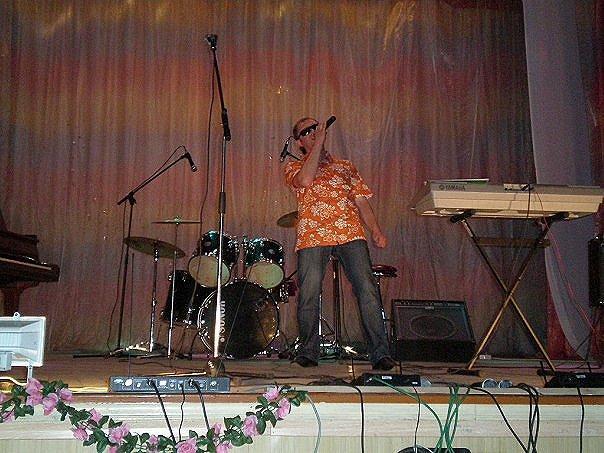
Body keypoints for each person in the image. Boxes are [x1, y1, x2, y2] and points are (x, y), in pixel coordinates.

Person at [284, 116, 396, 371]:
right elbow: (305, 180)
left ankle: (380, 354)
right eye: (306, 131)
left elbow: (362, 201)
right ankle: (308, 352)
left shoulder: (345, 166)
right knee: (309, 293)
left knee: (367, 290)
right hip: (313, 235)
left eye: (316, 128)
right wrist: (318, 144)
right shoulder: (293, 167)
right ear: (299, 142)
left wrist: (376, 230)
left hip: (350, 233)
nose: (313, 132)